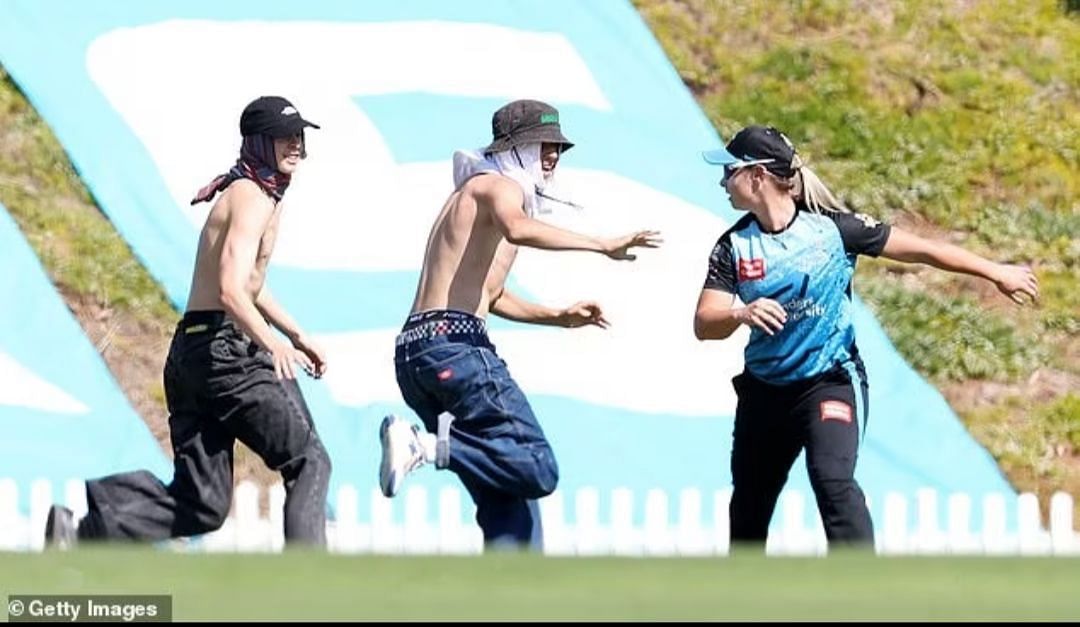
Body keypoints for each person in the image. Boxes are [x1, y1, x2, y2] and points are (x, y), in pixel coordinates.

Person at [694, 125, 1039, 551]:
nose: (722, 181)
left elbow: (923, 250)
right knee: (750, 507)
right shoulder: (733, 247)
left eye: (729, 170)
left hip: (826, 383)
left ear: (758, 176)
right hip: (764, 393)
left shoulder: (835, 231)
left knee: (833, 481)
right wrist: (740, 312)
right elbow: (704, 323)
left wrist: (996, 271)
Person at [44, 95, 333, 549]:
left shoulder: (256, 192)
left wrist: (295, 332)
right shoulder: (253, 197)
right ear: (259, 143)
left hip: (193, 354)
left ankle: (83, 529)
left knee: (203, 503)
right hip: (227, 352)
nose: (295, 146)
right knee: (310, 460)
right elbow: (231, 291)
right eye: (284, 138)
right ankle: (314, 586)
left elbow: (251, 284)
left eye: (299, 137)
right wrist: (272, 343)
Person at [380, 99, 662, 549]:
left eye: (556, 147)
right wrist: (601, 244)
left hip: (419, 354)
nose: (551, 156)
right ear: (511, 149)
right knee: (536, 464)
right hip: (456, 348)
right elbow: (517, 227)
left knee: (509, 498)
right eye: (541, 145)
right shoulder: (498, 185)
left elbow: (490, 294)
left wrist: (558, 317)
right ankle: (426, 446)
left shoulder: (474, 195)